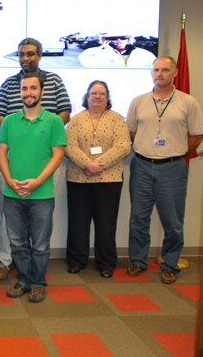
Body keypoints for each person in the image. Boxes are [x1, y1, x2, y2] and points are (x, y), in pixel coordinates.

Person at [0, 37, 71, 280]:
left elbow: (64, 113)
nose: (26, 58)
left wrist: (42, 131)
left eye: (31, 54)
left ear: (39, 56)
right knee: (12, 224)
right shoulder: (8, 84)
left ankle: (36, 278)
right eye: (22, 54)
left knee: (39, 229)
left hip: (45, 164)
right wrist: (20, 130)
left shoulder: (54, 81)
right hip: (14, 167)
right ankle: (6, 261)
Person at [126, 56, 203, 284]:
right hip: (141, 165)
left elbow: (197, 136)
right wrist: (148, 149)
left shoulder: (188, 102)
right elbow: (131, 132)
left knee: (173, 220)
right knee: (139, 218)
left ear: (175, 73)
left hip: (173, 169)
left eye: (165, 70)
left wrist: (176, 153)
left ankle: (170, 264)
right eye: (156, 70)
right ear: (151, 73)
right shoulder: (138, 101)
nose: (159, 74)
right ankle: (138, 261)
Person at [0, 73, 67, 303]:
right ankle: (24, 280)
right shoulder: (8, 121)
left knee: (39, 244)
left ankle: (38, 283)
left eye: (33, 88)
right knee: (17, 243)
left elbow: (58, 156)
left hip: (42, 194)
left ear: (42, 92)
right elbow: (2, 154)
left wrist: (37, 181)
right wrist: (9, 180)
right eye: (24, 89)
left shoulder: (54, 121)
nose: (28, 93)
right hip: (12, 192)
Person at [65, 80, 131, 278]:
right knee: (78, 222)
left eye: (102, 93)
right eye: (94, 93)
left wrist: (97, 165)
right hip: (78, 179)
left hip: (108, 180)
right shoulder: (76, 120)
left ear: (108, 97)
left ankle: (106, 263)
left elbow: (123, 147)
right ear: (87, 96)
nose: (98, 96)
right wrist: (87, 164)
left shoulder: (118, 119)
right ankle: (77, 260)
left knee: (106, 223)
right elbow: (68, 146)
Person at [78, 35, 156, 68]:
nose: (119, 40)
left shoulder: (145, 54)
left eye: (123, 37)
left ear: (129, 39)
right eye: (114, 37)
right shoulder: (92, 53)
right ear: (105, 39)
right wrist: (104, 51)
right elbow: (84, 60)